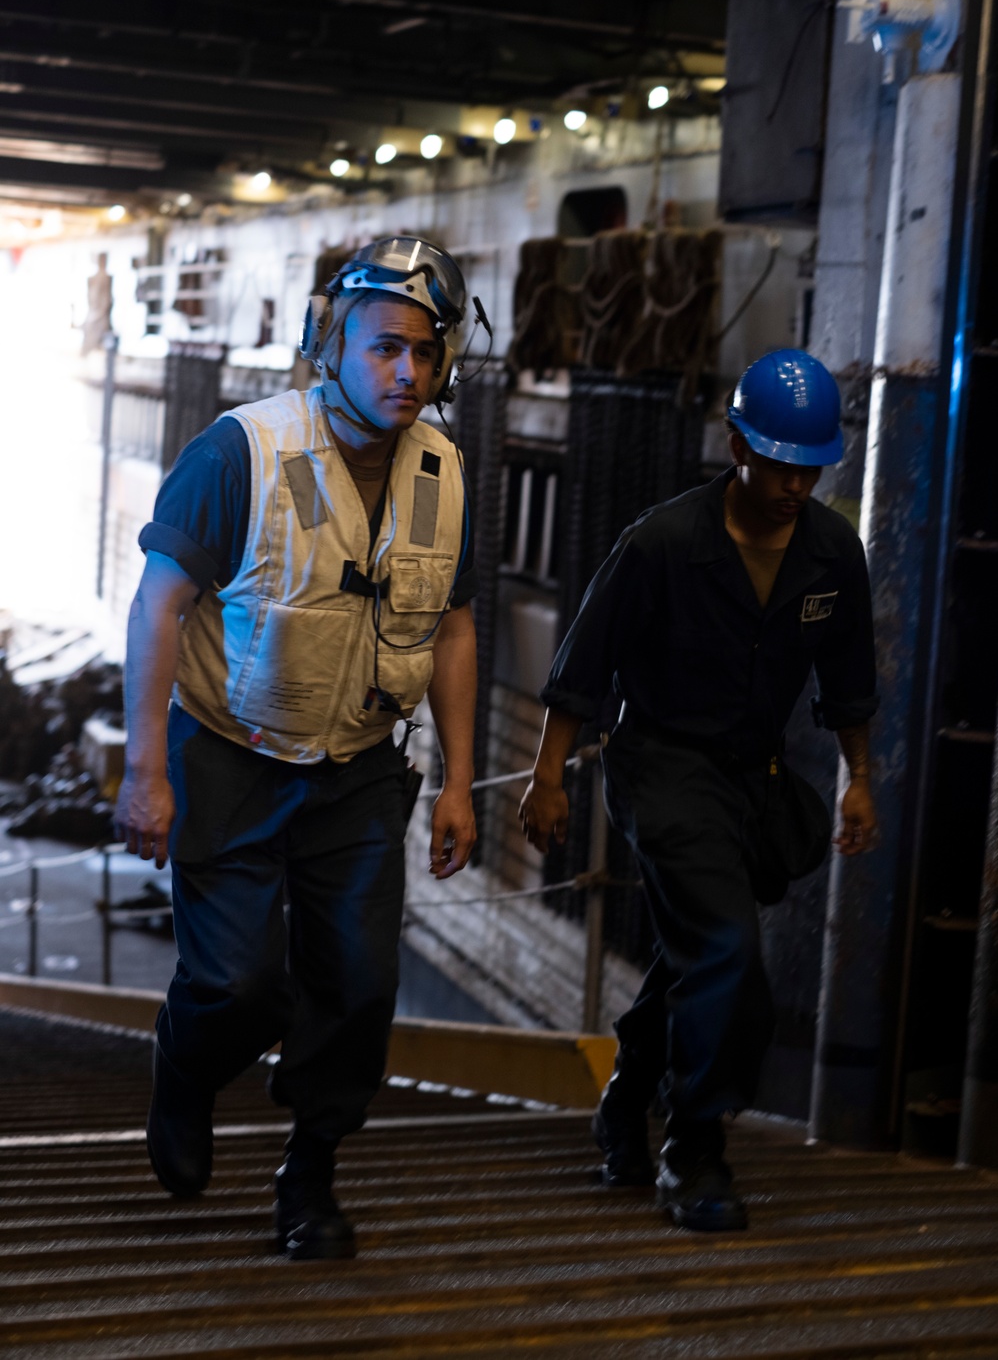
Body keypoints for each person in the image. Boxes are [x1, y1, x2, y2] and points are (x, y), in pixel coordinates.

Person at [114, 237, 479, 1260]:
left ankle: (309, 1174)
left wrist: (458, 781)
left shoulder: (444, 473)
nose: (407, 372)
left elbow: (453, 627)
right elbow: (156, 607)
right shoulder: (242, 452)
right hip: (231, 754)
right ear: (332, 343)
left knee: (358, 988)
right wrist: (145, 770)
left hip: (359, 768)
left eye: (425, 353)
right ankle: (187, 1069)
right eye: (385, 348)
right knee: (238, 986)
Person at [519, 350, 879, 1232]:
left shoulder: (832, 553)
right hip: (662, 766)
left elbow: (849, 680)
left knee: (702, 954)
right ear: (737, 446)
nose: (796, 485)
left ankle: (626, 1097)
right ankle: (695, 1148)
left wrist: (860, 780)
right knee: (728, 952)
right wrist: (546, 776)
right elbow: (582, 666)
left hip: (751, 777)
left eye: (811, 468)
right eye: (780, 465)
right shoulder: (662, 543)